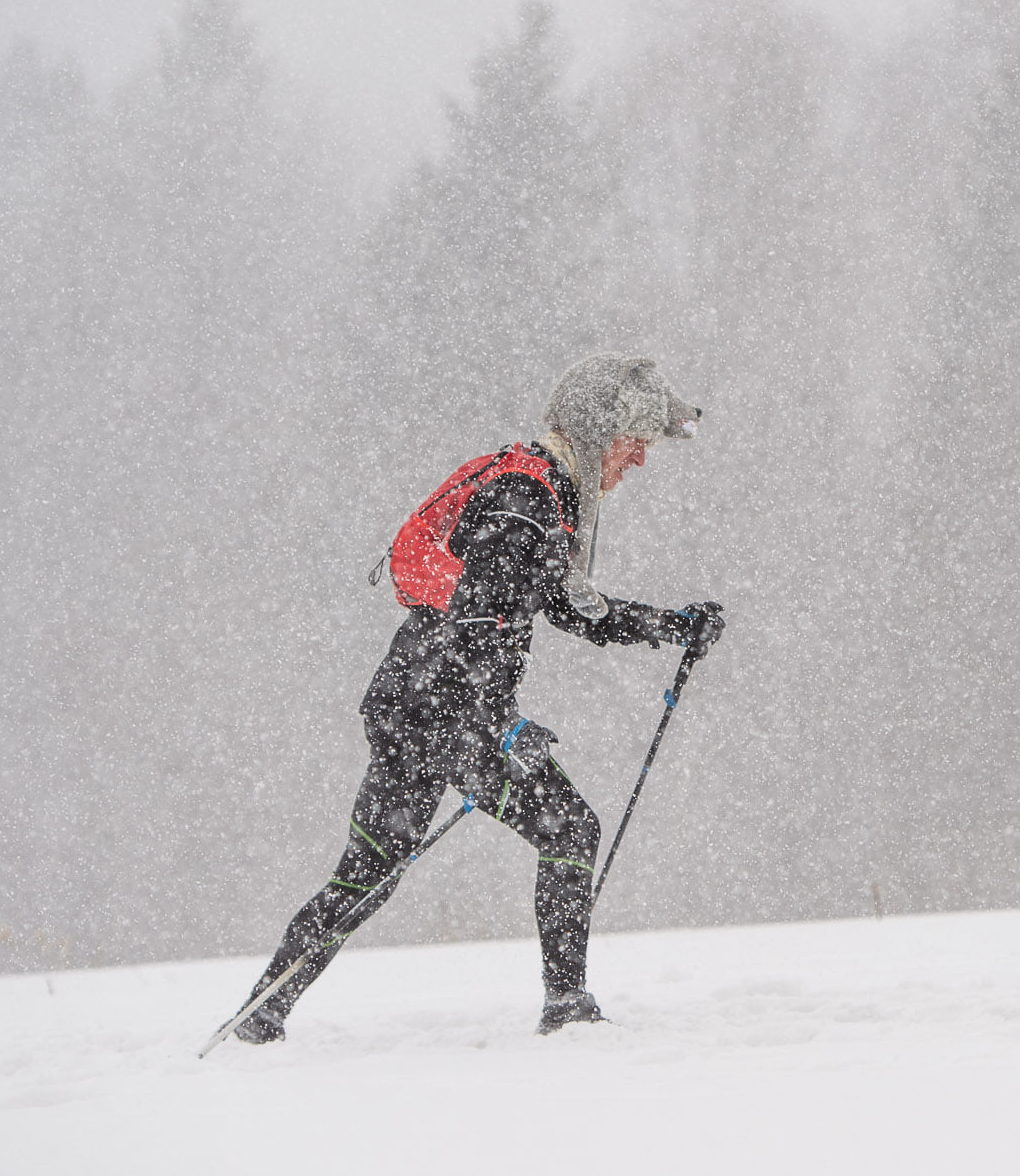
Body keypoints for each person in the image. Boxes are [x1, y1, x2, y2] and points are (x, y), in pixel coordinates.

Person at [232, 353, 724, 1041]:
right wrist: (505, 724)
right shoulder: (525, 503)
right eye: (632, 442)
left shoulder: (542, 494)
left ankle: (258, 1018)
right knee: (569, 828)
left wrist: (672, 625)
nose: (638, 460)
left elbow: (572, 608)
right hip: (444, 706)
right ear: (593, 434)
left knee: (368, 872)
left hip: (415, 702)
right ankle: (569, 1010)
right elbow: (476, 625)